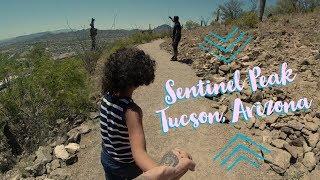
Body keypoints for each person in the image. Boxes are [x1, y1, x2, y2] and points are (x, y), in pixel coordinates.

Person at [100, 47, 195, 180]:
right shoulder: (131, 111)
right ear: (138, 79)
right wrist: (166, 172)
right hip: (125, 166)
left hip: (107, 157)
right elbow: (139, 153)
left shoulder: (106, 97)